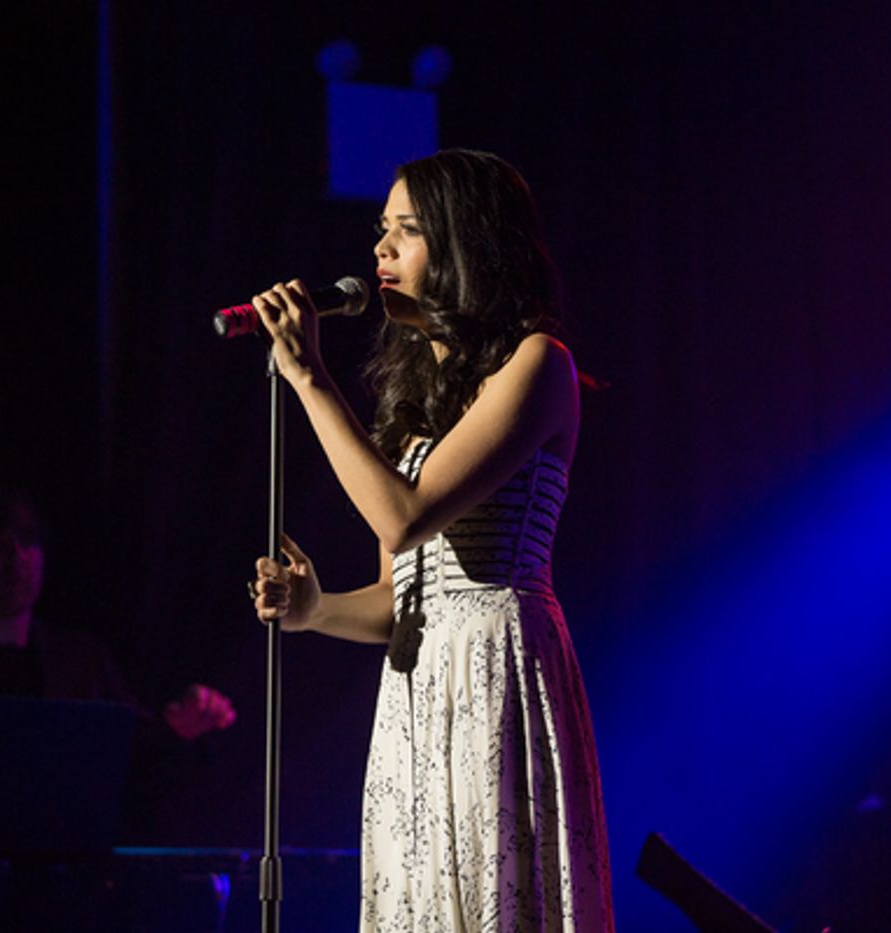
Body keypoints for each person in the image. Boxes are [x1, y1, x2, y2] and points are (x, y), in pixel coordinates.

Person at [248, 148, 613, 930]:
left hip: (495, 669)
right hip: (417, 686)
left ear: (464, 243)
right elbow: (400, 599)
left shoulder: (539, 364)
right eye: (382, 228)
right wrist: (315, 609)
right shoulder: (413, 397)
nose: (379, 248)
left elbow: (404, 515)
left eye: (406, 230)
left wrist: (310, 376)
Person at [0, 480, 235, 739]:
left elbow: (137, 745)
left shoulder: (82, 664)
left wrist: (181, 723)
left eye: (26, 539)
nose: (16, 557)